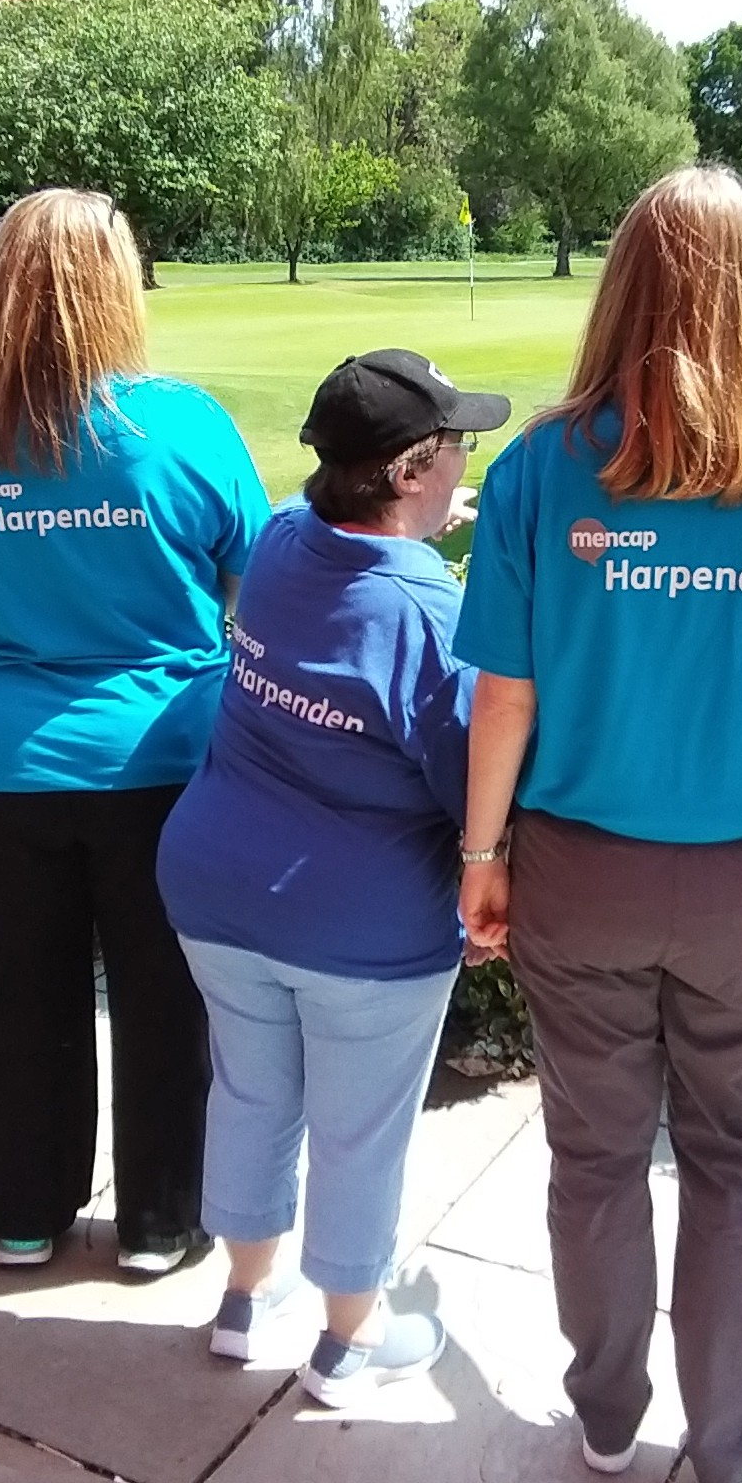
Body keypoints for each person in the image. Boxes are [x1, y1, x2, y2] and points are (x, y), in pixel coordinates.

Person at [454, 164, 742, 1483]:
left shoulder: (546, 465)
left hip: (580, 871)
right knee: (734, 1163)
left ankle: (606, 1414)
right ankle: (728, 1439)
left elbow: (505, 698)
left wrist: (483, 857)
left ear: (622, 285)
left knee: (591, 1158)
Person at [0, 188, 271, 1276]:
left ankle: (22, 1211)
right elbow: (252, 575)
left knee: (9, 999)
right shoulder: (184, 424)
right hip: (157, 759)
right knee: (166, 999)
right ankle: (161, 1219)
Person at [157, 350, 506, 1406]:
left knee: (252, 1091)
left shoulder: (276, 538)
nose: (460, 465)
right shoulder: (427, 613)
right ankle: (350, 1339)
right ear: (407, 469)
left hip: (215, 884)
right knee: (360, 1128)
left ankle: (243, 1299)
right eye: (452, 449)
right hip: (360, 925)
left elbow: (341, 560)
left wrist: (421, 537)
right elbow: (466, 785)